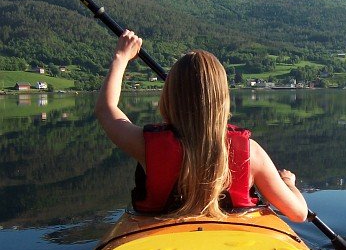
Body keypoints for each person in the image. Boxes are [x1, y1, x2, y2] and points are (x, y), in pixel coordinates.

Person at [95, 30, 307, 222]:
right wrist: (288, 182)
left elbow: (106, 109)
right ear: (222, 98)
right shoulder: (251, 153)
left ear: (170, 96)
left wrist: (121, 57)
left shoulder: (145, 145)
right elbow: (298, 213)